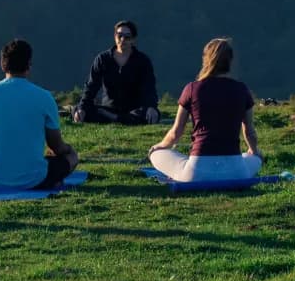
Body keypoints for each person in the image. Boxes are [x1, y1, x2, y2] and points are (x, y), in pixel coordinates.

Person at [0, 38, 79, 189]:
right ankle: (50, 180)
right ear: (29, 64)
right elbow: (56, 146)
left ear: (2, 64)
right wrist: (68, 149)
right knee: (71, 157)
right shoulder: (44, 97)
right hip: (35, 179)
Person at [148, 37, 263, 183]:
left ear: (206, 59)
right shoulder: (242, 89)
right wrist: (254, 151)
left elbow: (176, 133)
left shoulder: (192, 89)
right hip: (236, 173)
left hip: (197, 172)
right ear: (230, 61)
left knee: (157, 154)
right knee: (253, 157)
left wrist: (159, 146)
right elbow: (249, 132)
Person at [74, 20, 159, 124]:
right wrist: (82, 108)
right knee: (80, 110)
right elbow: (91, 86)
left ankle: (115, 118)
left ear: (133, 39)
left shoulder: (142, 61)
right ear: (115, 36)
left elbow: (149, 87)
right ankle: (118, 118)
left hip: (134, 109)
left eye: (127, 37)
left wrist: (151, 106)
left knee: (149, 115)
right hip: (108, 108)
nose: (123, 39)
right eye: (119, 35)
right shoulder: (103, 59)